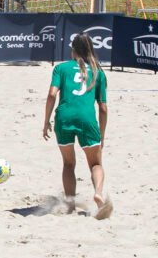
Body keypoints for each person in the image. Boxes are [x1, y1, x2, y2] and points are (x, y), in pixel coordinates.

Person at [43, 33, 112, 219]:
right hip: (87, 119)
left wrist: (46, 121)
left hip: (64, 118)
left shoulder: (61, 68)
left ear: (72, 50)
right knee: (96, 163)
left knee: (68, 164)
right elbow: (103, 108)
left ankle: (70, 205)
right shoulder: (99, 72)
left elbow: (51, 94)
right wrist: (102, 135)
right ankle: (98, 192)